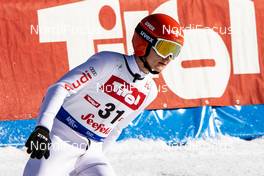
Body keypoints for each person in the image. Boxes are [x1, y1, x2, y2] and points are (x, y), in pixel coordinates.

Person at [23, 13, 184, 176]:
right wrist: (43, 128)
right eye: (165, 48)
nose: (169, 58)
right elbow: (60, 87)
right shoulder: (108, 62)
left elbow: (117, 128)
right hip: (60, 139)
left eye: (175, 51)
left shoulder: (150, 91)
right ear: (145, 42)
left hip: (92, 152)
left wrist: (99, 154)